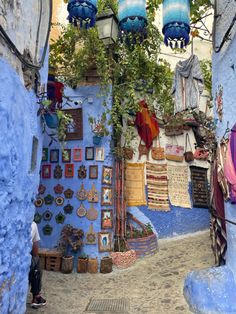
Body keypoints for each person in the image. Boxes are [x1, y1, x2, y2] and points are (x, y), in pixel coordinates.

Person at [29, 221, 46, 308]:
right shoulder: (33, 224)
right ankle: (36, 297)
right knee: (37, 266)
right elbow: (35, 247)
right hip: (26, 259)